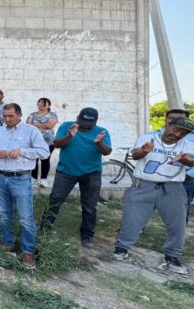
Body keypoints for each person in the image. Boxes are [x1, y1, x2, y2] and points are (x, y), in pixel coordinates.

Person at [113, 117, 194, 275]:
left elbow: (192, 160)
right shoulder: (148, 138)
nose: (178, 134)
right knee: (132, 218)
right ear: (168, 125)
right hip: (143, 185)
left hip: (173, 188)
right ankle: (121, 248)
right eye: (176, 129)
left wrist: (185, 158)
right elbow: (135, 155)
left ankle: (172, 257)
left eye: (183, 133)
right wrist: (144, 151)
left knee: (177, 223)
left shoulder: (187, 145)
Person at [0, 103, 49, 270]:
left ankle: (28, 251)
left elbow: (44, 152)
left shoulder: (31, 131)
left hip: (21, 178)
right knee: (4, 213)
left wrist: (22, 152)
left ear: (19, 115)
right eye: (4, 116)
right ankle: (7, 243)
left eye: (10, 116)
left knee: (26, 217)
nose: (7, 119)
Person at [39, 107, 111, 248]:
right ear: (78, 117)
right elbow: (56, 144)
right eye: (82, 122)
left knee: (89, 206)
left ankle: (87, 235)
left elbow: (107, 151)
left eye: (89, 124)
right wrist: (69, 136)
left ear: (95, 122)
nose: (85, 126)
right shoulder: (67, 126)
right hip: (66, 171)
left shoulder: (102, 132)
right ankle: (44, 229)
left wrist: (99, 143)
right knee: (55, 200)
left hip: (91, 173)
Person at [26, 98, 59, 187]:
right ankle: (33, 178)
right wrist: (43, 125)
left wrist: (35, 124)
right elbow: (28, 126)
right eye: (39, 102)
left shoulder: (52, 115)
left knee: (45, 160)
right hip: (34, 141)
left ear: (49, 105)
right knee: (34, 159)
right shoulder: (32, 114)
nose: (41, 104)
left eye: (43, 103)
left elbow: (49, 126)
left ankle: (43, 179)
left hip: (48, 142)